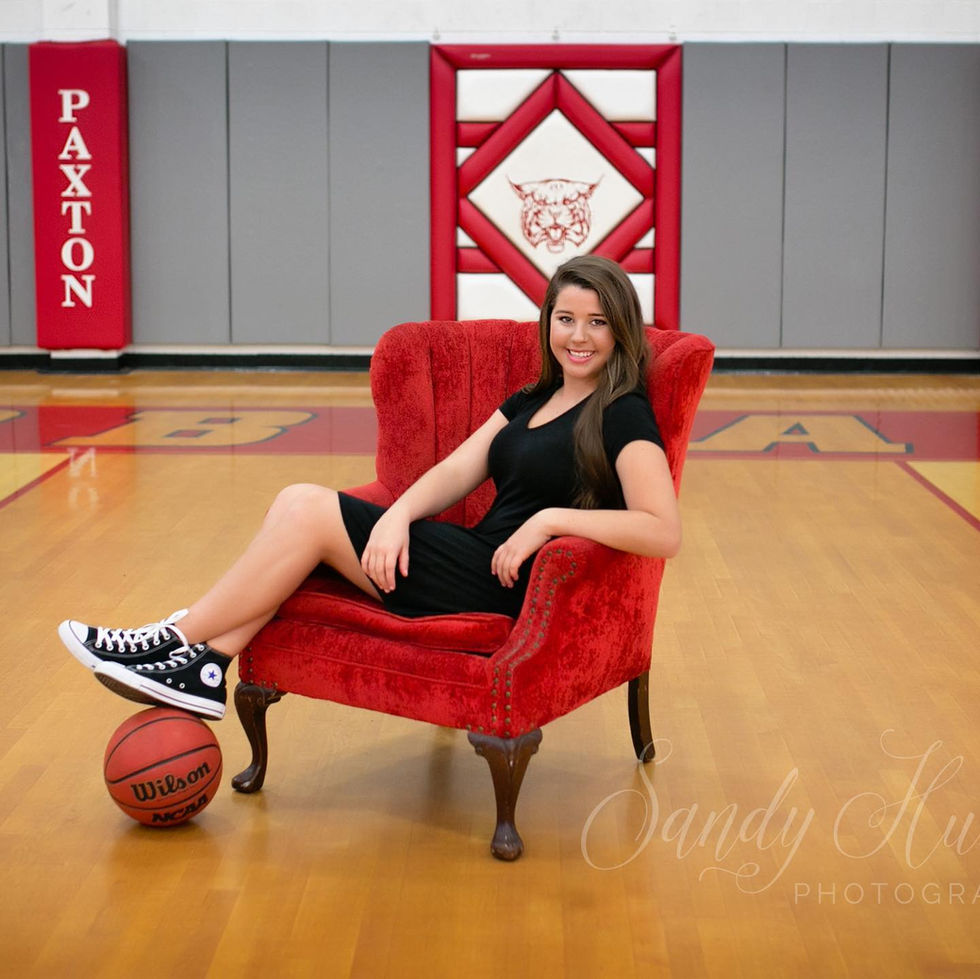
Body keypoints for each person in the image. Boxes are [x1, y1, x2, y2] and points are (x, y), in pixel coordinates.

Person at [58, 255, 682, 721]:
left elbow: (662, 530)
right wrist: (395, 517)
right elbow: (454, 472)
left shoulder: (622, 411)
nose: (578, 336)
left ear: (620, 331)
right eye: (565, 319)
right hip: (468, 557)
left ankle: (171, 638)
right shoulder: (532, 397)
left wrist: (547, 522)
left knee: (306, 508)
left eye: (597, 322)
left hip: (505, 584)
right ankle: (207, 667)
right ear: (549, 323)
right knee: (294, 508)